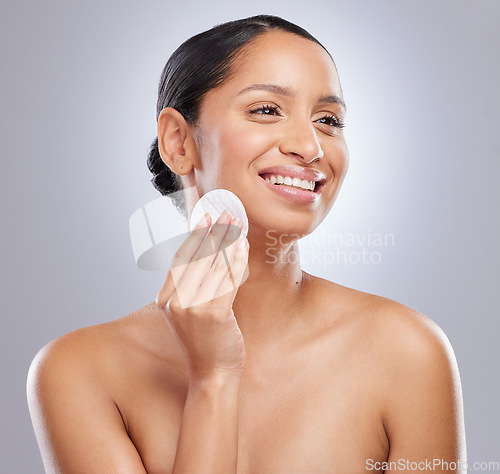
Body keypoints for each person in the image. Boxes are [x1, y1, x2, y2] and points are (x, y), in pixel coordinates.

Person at [27, 15, 466, 473]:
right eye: (266, 110)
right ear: (179, 142)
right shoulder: (77, 372)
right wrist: (213, 378)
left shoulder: (406, 351)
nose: (310, 146)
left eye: (329, 120)